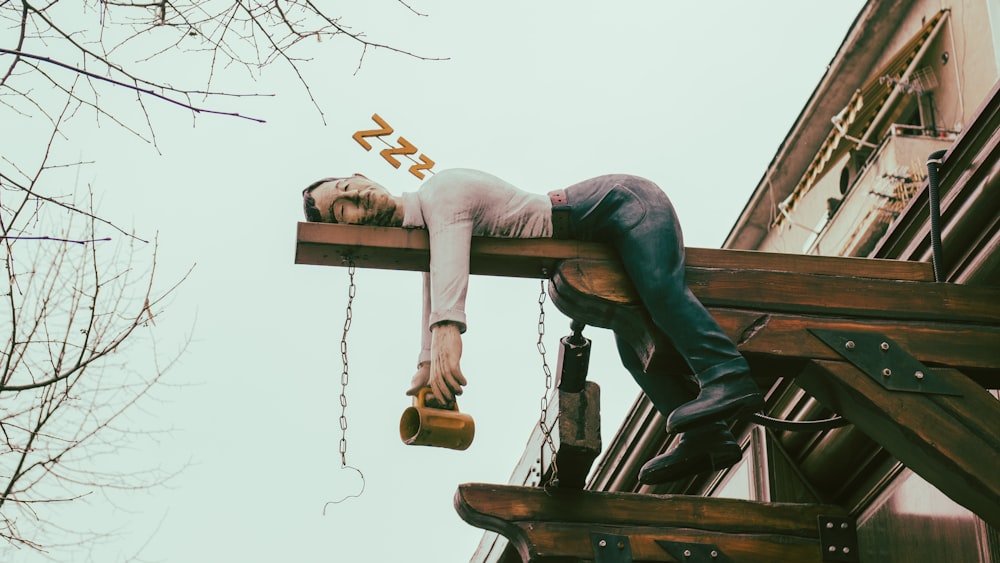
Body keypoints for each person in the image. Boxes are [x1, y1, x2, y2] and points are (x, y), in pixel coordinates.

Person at [301, 168, 763, 484]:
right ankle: (708, 440)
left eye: (346, 184)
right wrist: (427, 361)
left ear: (362, 175)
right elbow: (438, 269)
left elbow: (448, 266)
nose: (352, 196)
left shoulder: (440, 192)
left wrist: (447, 333)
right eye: (342, 208)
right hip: (599, 231)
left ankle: (728, 376)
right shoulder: (428, 226)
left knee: (662, 289)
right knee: (632, 343)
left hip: (622, 204)